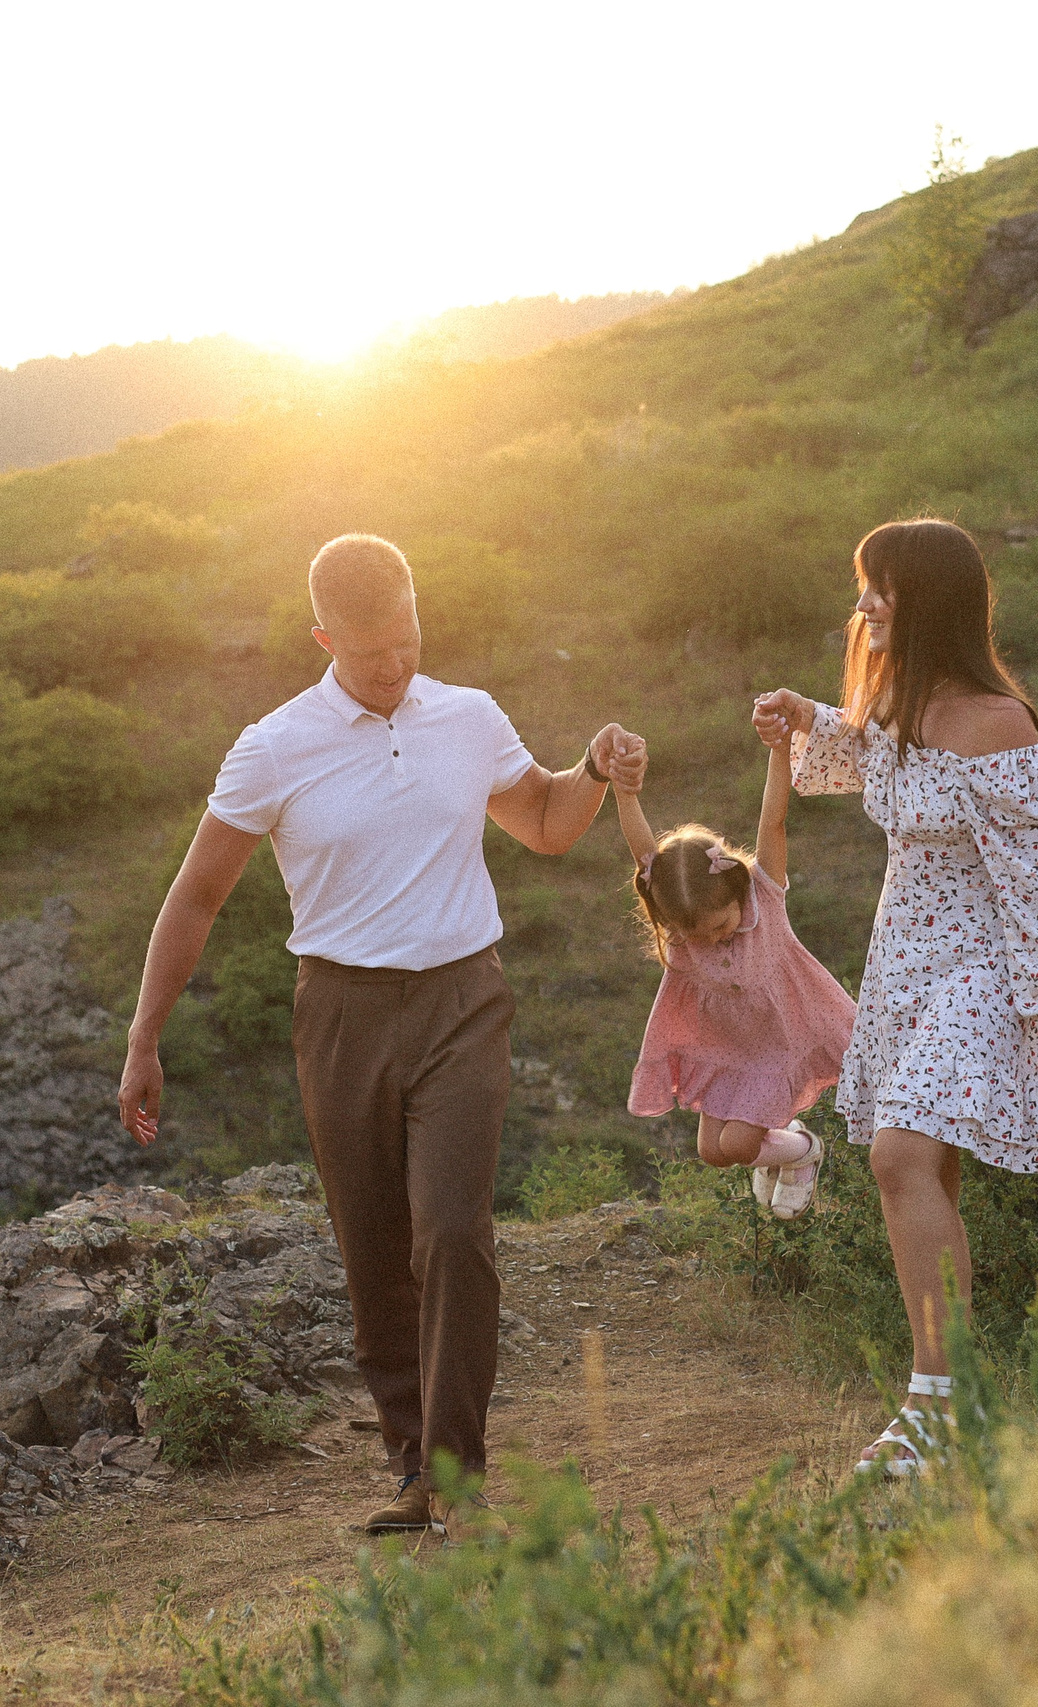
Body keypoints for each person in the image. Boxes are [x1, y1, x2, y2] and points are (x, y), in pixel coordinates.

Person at [116, 533, 645, 1536]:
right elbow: (195, 898)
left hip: (461, 1000)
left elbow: (544, 821)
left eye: (406, 639)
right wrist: (146, 1037)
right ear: (324, 638)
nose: (395, 665)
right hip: (342, 1013)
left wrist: (596, 768)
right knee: (374, 1250)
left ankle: (456, 1475)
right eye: (369, 653)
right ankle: (413, 1461)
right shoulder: (272, 747)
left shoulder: (468, 717)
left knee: (450, 1230)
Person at [752, 517, 1038, 1478]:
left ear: (933, 601)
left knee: (899, 1154)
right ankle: (947, 1407)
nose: (865, 604)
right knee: (925, 1173)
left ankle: (939, 1405)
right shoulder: (900, 712)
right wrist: (804, 716)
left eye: (884, 587)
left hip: (983, 973)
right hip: (905, 966)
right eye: (864, 584)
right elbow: (854, 760)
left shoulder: (998, 723)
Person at [614, 721, 858, 1219]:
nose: (711, 940)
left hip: (775, 1045)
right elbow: (643, 851)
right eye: (697, 935)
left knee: (742, 1146)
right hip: (725, 1050)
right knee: (713, 1152)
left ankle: (804, 1151)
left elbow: (773, 823)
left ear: (737, 891)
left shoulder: (764, 896)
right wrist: (624, 791)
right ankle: (785, 1153)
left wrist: (780, 751)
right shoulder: (682, 929)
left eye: (719, 926)